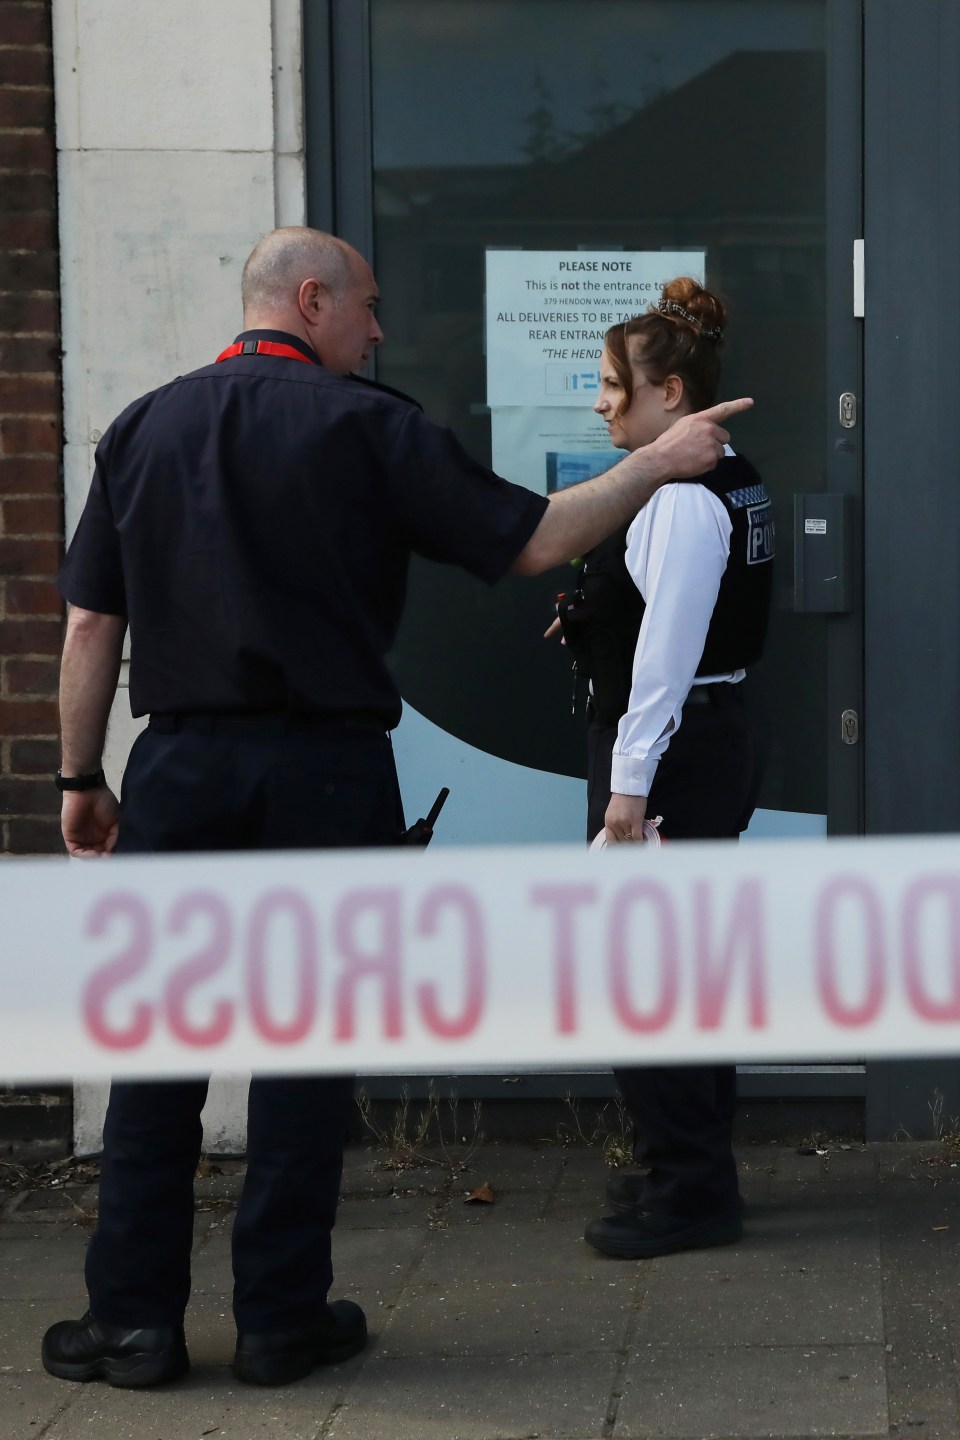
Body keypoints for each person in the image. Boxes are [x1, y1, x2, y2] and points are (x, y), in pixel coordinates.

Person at [46, 227, 747, 1390]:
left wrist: (81, 779)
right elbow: (536, 540)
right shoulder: (370, 427)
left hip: (181, 772)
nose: (378, 331)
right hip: (325, 775)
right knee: (306, 1054)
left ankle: (130, 1324)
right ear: (310, 300)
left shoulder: (143, 427)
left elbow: (88, 625)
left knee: (158, 1049)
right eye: (366, 306)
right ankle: (281, 1321)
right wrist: (660, 461)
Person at [559, 278, 772, 1259]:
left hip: (674, 751)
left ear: (671, 393)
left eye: (615, 385)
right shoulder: (729, 473)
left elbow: (669, 656)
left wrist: (628, 789)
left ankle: (687, 1189)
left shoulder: (681, 498)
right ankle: (691, 1170)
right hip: (709, 738)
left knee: (645, 974)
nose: (602, 404)